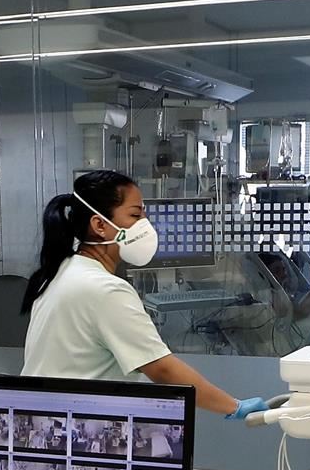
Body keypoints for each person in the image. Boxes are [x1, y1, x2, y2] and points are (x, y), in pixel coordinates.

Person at [21, 170, 270, 419]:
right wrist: (233, 406)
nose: (146, 225)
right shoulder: (104, 289)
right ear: (99, 225)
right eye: (135, 215)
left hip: (40, 423)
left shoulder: (61, 272)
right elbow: (162, 370)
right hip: (70, 431)